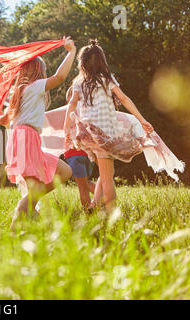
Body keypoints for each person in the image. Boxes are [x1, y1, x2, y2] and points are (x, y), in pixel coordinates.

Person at [64, 39, 154, 212]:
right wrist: (142, 120)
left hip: (86, 134)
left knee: (105, 173)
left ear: (82, 63)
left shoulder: (78, 82)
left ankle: (94, 205)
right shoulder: (107, 79)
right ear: (102, 61)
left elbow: (71, 105)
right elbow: (124, 98)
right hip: (103, 135)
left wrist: (66, 129)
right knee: (107, 177)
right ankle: (112, 214)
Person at [0, 36, 76, 230]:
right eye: (43, 71)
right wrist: (72, 52)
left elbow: (3, 120)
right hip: (25, 139)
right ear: (37, 72)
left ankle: (30, 212)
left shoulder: (21, 92)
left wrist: (11, 121)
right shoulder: (33, 87)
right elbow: (60, 78)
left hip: (24, 139)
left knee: (64, 172)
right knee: (40, 187)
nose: (45, 75)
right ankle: (18, 221)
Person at [63, 87, 98, 210]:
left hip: (74, 154)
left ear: (69, 99)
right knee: (85, 183)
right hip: (88, 155)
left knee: (82, 188)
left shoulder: (66, 112)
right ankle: (104, 199)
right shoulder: (87, 113)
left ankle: (90, 214)